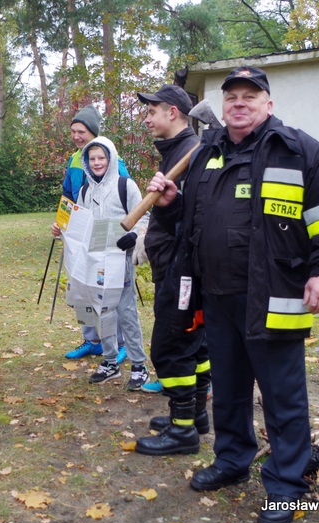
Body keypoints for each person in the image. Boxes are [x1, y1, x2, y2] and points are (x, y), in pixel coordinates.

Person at [146, 66, 319, 523]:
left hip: (274, 295)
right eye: (232, 97)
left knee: (282, 396)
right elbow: (192, 220)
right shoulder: (208, 152)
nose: (239, 103)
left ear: (268, 104)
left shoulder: (299, 150)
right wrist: (171, 205)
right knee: (229, 389)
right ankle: (232, 460)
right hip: (217, 296)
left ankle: (286, 484)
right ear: (223, 106)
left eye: (250, 96)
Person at [132, 85, 212, 456]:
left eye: (152, 111)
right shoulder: (177, 152)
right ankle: (195, 416)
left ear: (173, 112)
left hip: (183, 267)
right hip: (176, 263)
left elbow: (193, 218)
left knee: (171, 343)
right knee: (196, 342)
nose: (147, 119)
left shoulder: (192, 153)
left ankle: (182, 432)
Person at [51, 137, 150, 390]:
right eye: (92, 158)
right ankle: (110, 362)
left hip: (120, 259)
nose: (97, 163)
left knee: (126, 311)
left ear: (111, 159)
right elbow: (79, 226)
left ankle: (139, 365)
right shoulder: (84, 191)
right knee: (101, 310)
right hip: (95, 262)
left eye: (101, 158)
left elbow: (144, 217)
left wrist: (134, 236)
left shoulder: (125, 186)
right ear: (86, 162)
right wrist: (61, 230)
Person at [61, 104, 129, 364]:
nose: (77, 136)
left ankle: (120, 343)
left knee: (109, 290)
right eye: (73, 132)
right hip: (80, 234)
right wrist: (62, 223)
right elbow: (67, 195)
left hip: (106, 234)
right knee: (83, 288)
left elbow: (126, 193)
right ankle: (92, 340)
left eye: (81, 132)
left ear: (93, 132)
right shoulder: (74, 159)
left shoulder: (112, 159)